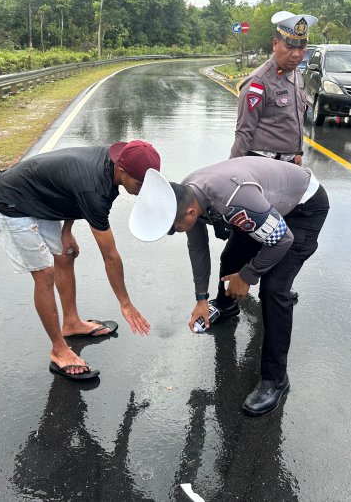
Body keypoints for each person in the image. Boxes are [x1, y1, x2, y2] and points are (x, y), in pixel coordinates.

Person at [129, 157, 329, 416]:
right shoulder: (190, 194)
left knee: (274, 289)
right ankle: (226, 306)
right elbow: (198, 246)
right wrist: (201, 298)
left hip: (303, 210)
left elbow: (282, 239)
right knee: (230, 258)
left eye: (174, 228)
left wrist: (248, 276)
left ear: (190, 213)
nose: (175, 232)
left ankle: (276, 380)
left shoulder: (233, 200)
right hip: (268, 206)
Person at [0, 140, 159, 381]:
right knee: (44, 273)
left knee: (65, 255)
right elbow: (109, 255)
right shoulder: (95, 190)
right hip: (11, 200)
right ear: (122, 170)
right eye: (139, 184)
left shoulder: (122, 158)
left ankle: (72, 323)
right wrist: (125, 303)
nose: (141, 189)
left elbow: (70, 188)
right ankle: (59, 350)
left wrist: (66, 231)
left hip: (40, 197)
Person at [226, 11, 318, 313]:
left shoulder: (297, 75)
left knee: (279, 237)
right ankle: (223, 299)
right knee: (244, 239)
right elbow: (243, 136)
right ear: (274, 43)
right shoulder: (257, 84)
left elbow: (294, 121)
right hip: (260, 174)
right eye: (289, 46)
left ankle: (274, 287)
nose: (296, 54)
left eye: (301, 47)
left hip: (287, 172)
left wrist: (297, 153)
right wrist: (232, 187)